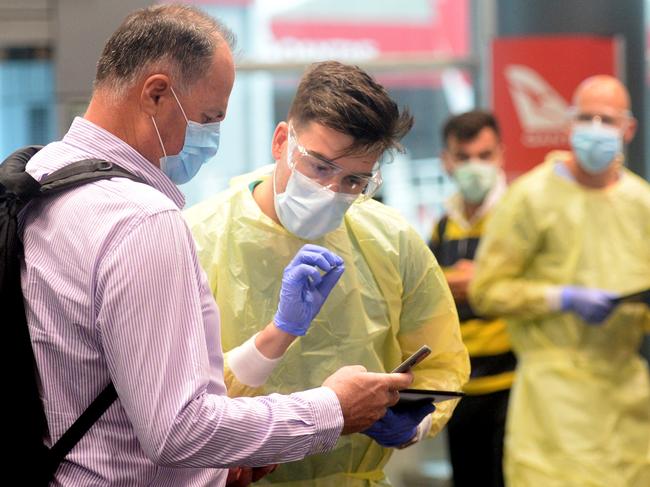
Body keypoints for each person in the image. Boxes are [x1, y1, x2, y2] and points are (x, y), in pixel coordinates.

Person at [18, 6, 415, 485]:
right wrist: (331, 409)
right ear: (157, 93)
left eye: (355, 180)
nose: (213, 140)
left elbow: (91, 388)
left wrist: (219, 471)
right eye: (209, 118)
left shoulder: (39, 179)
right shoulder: (142, 220)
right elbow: (177, 431)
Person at [184, 60, 469, 487]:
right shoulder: (195, 238)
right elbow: (177, 399)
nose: (331, 191)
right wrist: (274, 339)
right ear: (282, 141)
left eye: (355, 181)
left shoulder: (390, 240)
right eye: (319, 166)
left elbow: (442, 359)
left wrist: (415, 424)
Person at [470, 75, 650, 487]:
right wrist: (560, 298)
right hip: (554, 395)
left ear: (629, 129)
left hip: (627, 399)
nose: (596, 129)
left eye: (608, 119)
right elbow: (486, 290)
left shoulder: (641, 203)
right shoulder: (532, 196)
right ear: (569, 125)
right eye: (586, 117)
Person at [428, 110, 512, 487]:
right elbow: (424, 290)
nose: (474, 166)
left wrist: (484, 281)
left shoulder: (517, 218)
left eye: (485, 155)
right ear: (446, 160)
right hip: (458, 388)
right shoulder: (443, 225)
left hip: (512, 383)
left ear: (501, 156)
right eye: (463, 157)